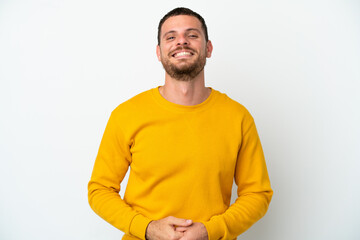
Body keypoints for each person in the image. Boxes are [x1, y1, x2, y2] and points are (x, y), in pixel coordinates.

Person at [88, 7, 273, 240]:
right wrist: (147, 228)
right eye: (171, 37)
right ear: (159, 51)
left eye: (192, 35)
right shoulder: (126, 114)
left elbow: (258, 193)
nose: (181, 42)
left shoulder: (238, 117)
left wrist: (210, 231)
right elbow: (99, 190)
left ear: (208, 48)